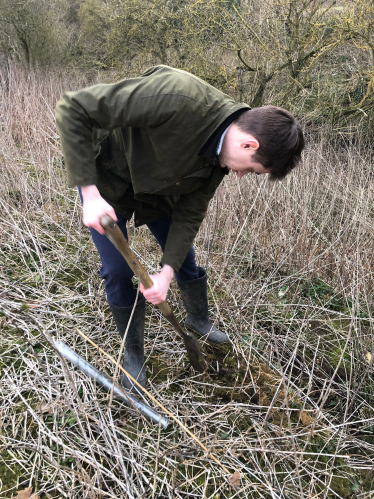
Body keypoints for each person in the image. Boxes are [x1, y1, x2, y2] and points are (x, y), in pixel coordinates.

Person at [55, 65, 304, 392]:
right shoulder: (177, 96)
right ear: (249, 146)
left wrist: (166, 274)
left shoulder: (220, 159)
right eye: (253, 171)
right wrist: (88, 193)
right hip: (108, 182)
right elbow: (73, 108)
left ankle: (197, 320)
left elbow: (189, 214)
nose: (243, 176)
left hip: (157, 191)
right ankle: (133, 355)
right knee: (117, 272)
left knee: (183, 256)